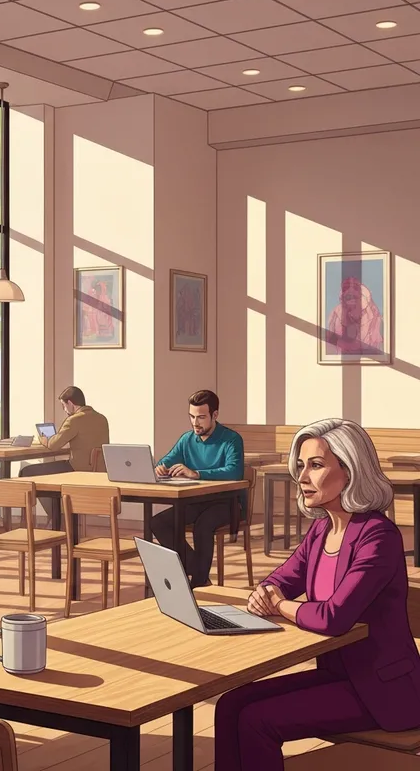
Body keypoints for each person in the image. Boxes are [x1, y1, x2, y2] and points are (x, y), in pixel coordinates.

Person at [215, 417, 420, 770]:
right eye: (300, 466)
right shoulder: (321, 530)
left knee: (256, 720)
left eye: (316, 465)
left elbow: (333, 617)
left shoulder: (379, 537)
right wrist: (267, 593)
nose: (302, 477)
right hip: (339, 674)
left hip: (381, 690)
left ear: (351, 470)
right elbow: (282, 578)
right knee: (230, 705)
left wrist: (278, 604)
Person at [151, 389, 244, 588]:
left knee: (203, 526)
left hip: (227, 502)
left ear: (215, 415)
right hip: (196, 500)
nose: (195, 422)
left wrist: (197, 473)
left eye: (201, 417)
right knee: (158, 523)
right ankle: (195, 568)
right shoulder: (187, 439)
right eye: (192, 416)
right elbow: (166, 460)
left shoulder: (231, 439)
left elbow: (234, 472)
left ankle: (199, 582)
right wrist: (161, 467)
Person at [20, 386, 109, 524]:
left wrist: (45, 439)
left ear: (71, 404)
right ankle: (59, 516)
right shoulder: (102, 418)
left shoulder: (74, 420)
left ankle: (55, 518)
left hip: (77, 470)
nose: (64, 410)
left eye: (64, 405)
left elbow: (53, 444)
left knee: (27, 472)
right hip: (97, 472)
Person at [326, 277, 383, 355]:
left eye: (354, 297)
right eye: (348, 297)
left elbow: (372, 339)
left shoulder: (370, 311)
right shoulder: (337, 312)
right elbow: (333, 335)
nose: (351, 299)